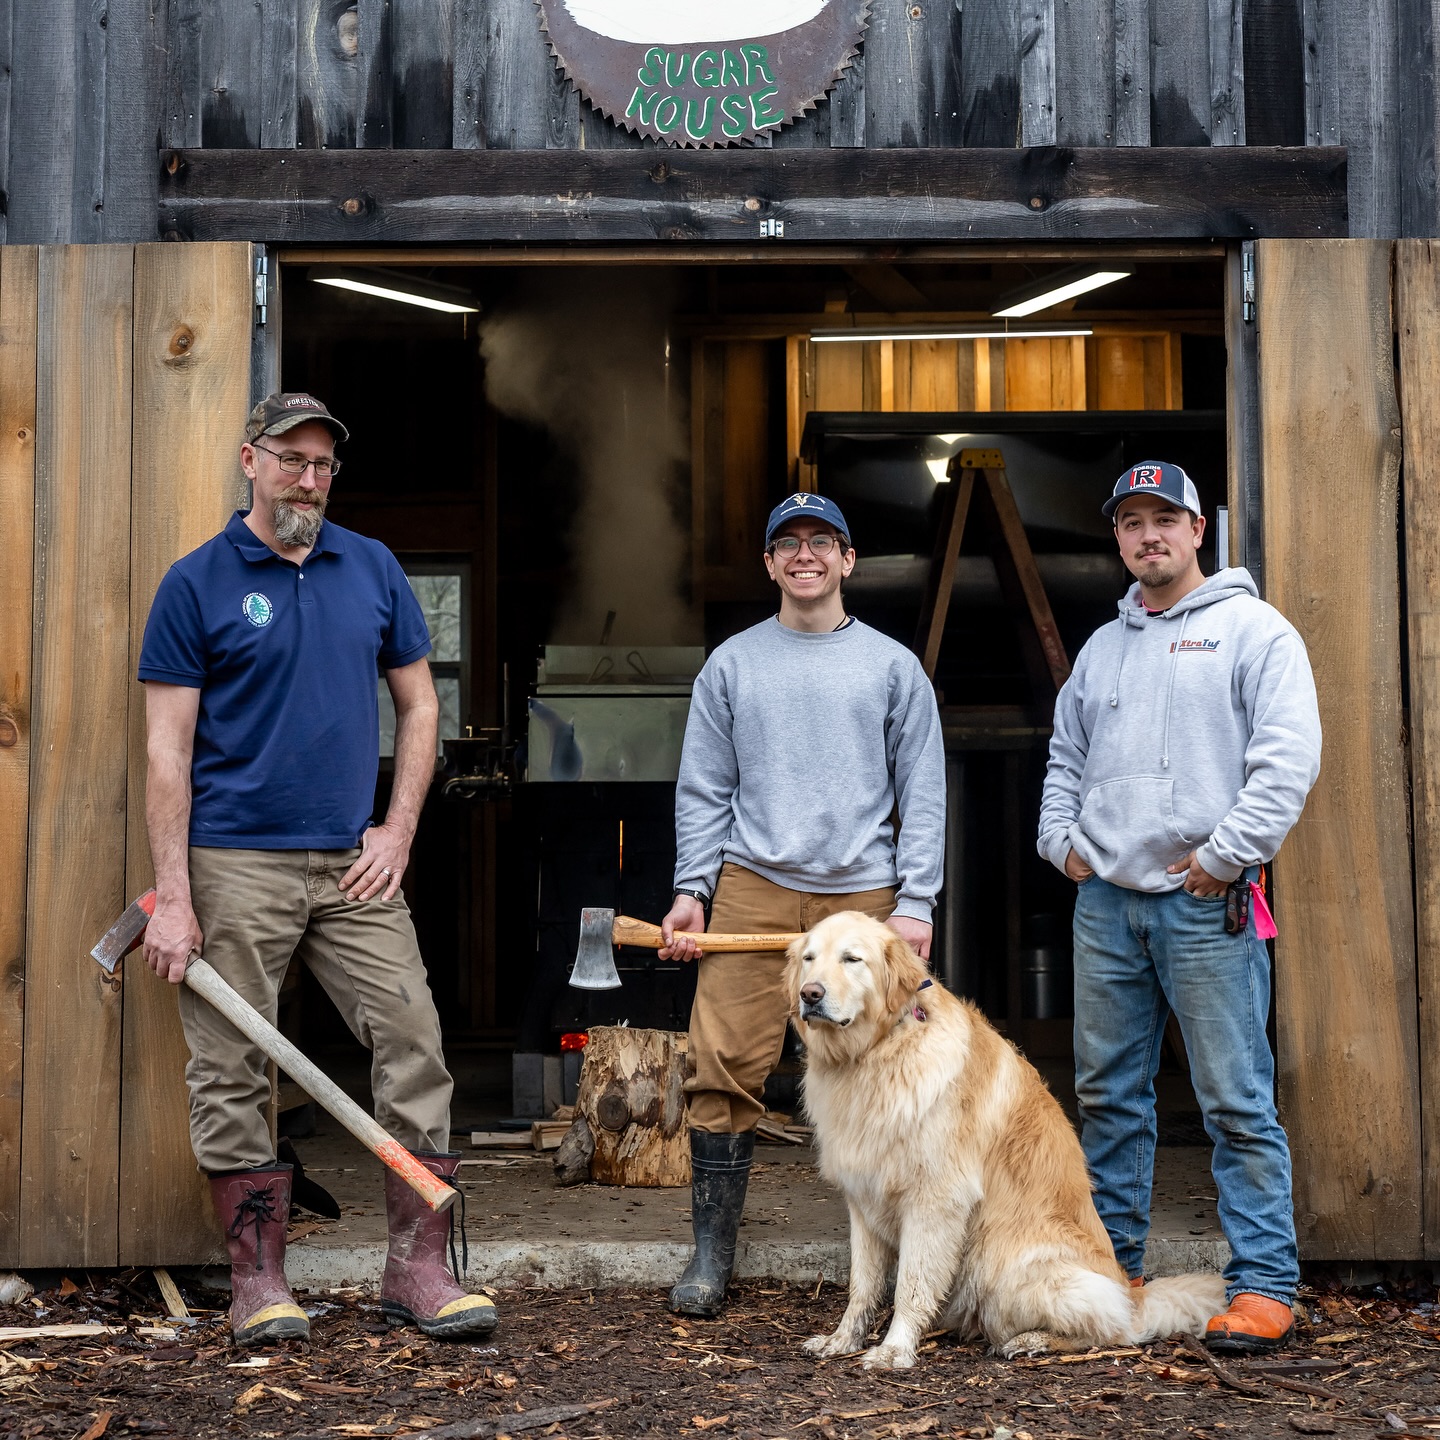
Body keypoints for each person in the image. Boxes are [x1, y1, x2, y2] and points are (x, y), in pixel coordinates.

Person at [137, 392, 496, 1346]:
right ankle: (258, 1281)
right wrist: (174, 897)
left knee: (412, 1036)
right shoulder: (196, 583)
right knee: (231, 1064)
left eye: (324, 465)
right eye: (292, 460)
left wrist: (397, 832)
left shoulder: (370, 566)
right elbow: (167, 751)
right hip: (232, 862)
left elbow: (419, 707)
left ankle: (417, 1269)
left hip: (352, 865)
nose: (309, 479)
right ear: (249, 461)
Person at [1037, 460, 1321, 1355]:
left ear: (1199, 530)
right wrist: (1061, 843)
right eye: (1132, 522)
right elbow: (1065, 758)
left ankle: (1264, 1286)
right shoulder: (1102, 648)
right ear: (1119, 538)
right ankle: (1111, 1272)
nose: (1148, 535)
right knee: (1107, 1097)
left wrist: (1224, 857)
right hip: (1106, 906)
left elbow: (1288, 759)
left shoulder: (1254, 632)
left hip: (1207, 906)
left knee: (1234, 1100)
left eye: (1165, 519)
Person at [658, 491, 946, 1317]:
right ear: (770, 563)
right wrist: (692, 889)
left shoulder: (892, 667)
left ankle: (908, 1261)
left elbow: (923, 792)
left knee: (898, 1070)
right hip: (754, 882)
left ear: (848, 560)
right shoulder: (732, 665)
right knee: (723, 1062)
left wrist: (917, 900)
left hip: (864, 893)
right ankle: (711, 1257)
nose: (806, 555)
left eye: (823, 541)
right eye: (789, 543)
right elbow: (704, 788)